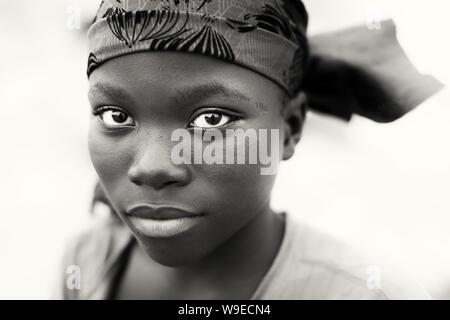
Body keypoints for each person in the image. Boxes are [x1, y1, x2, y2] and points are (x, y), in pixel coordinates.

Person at [56, 0, 441, 300]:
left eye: (211, 121)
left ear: (289, 129)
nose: (152, 166)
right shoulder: (89, 261)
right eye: (115, 115)